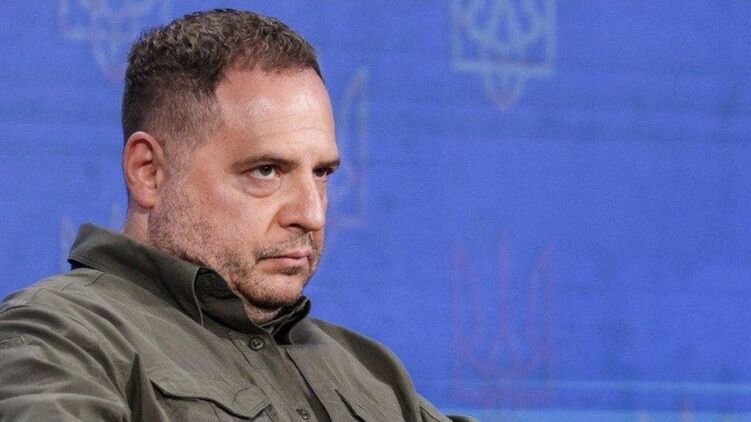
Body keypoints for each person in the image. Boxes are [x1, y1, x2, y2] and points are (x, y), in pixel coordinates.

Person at [0, 8, 475, 422]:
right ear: (149, 171)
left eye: (322, 173)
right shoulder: (57, 338)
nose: (311, 214)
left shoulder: (371, 370)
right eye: (266, 171)